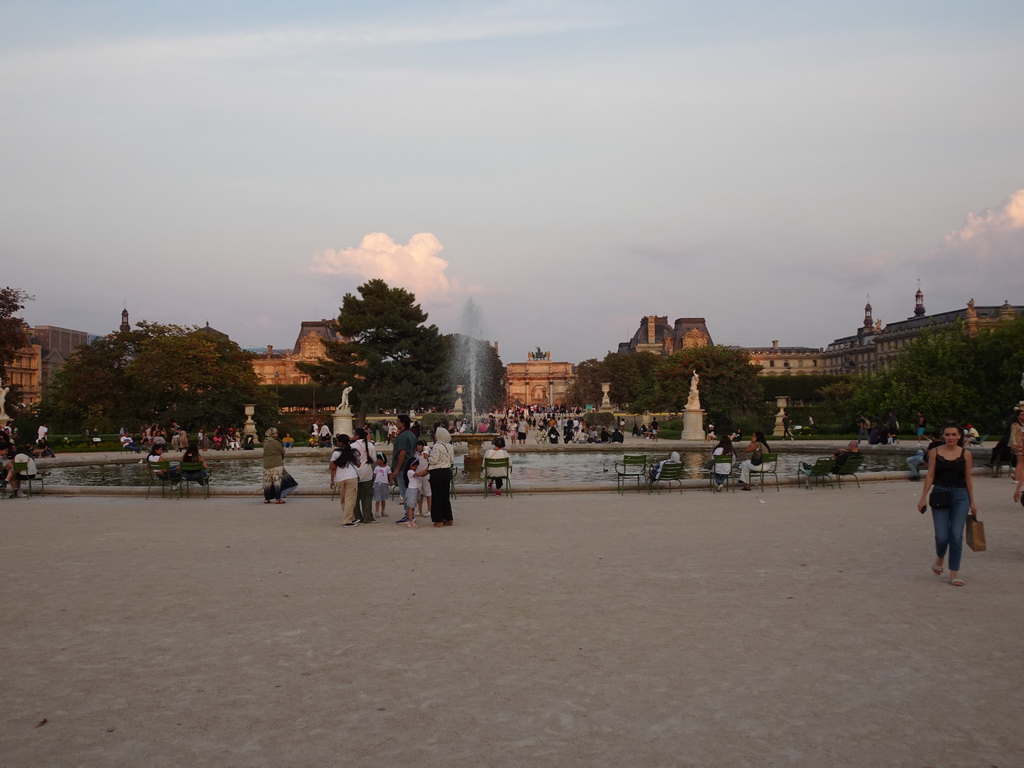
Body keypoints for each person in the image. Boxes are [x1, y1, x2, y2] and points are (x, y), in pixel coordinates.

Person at [918, 422, 978, 587]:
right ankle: (940, 556)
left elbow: (968, 479)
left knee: (956, 535)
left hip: (960, 495)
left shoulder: (965, 454)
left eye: (953, 434)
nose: (950, 437)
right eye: (947, 434)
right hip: (940, 493)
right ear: (943, 436)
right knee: (942, 536)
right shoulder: (935, 452)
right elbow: (930, 476)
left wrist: (972, 501)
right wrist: (923, 497)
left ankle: (954, 573)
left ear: (960, 436)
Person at [422, 426, 455, 526]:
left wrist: (427, 456)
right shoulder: (449, 446)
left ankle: (438, 520)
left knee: (436, 497)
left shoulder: (437, 446)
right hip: (446, 472)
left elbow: (434, 460)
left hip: (437, 473)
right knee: (445, 497)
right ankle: (448, 518)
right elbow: (452, 460)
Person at [330, 434, 361, 527]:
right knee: (350, 499)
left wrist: (332, 480)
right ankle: (347, 520)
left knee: (343, 500)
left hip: (340, 478)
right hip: (351, 476)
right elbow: (358, 464)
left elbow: (332, 468)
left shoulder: (335, 453)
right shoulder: (353, 452)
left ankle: (349, 518)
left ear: (340, 443)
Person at [262, 428, 297, 504]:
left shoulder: (265, 443)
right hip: (276, 464)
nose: (276, 434)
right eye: (275, 433)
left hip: (266, 464)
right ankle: (278, 499)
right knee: (277, 482)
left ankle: (266, 498)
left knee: (267, 482)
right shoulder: (276, 442)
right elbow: (282, 451)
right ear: (272, 434)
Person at [351, 427, 377, 524]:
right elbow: (374, 460)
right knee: (367, 495)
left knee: (355, 497)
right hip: (367, 473)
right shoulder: (370, 445)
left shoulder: (352, 446)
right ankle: (368, 516)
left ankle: (357, 516)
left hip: (355, 473)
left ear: (357, 435)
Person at [389, 414, 416, 501]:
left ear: (402, 423)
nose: (396, 423)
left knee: (404, 491)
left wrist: (397, 469)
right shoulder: (412, 435)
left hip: (402, 467)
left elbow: (402, 453)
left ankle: (408, 513)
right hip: (410, 465)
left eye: (398, 421)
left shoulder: (402, 437)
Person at [397, 460, 421, 528]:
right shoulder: (410, 471)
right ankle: (410, 521)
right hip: (412, 490)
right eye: (414, 466)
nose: (415, 467)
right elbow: (419, 474)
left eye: (416, 466)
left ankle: (411, 519)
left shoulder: (413, 471)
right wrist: (426, 470)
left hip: (416, 489)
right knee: (410, 506)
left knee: (412, 506)